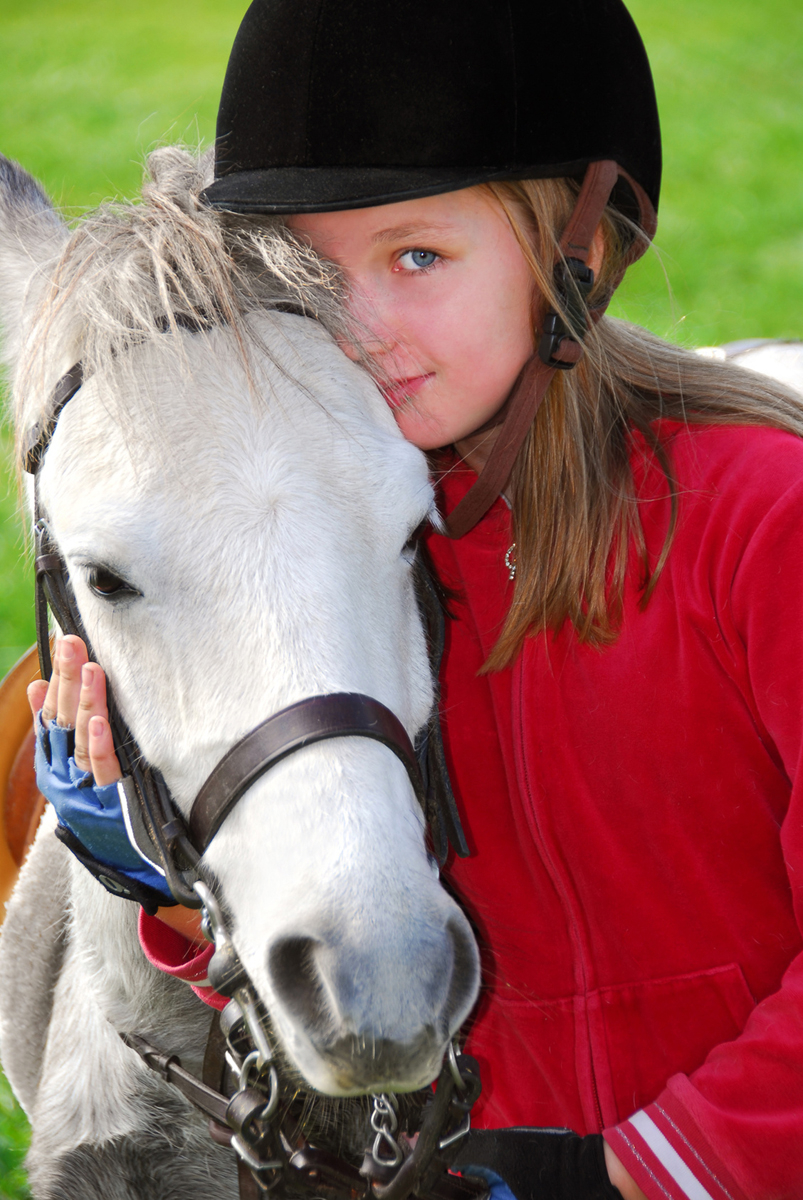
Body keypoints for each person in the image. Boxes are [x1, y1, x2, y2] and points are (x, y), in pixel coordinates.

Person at [29, 2, 803, 1198]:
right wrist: (168, 874)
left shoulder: (765, 519)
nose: (359, 330)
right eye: (305, 269)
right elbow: (335, 915)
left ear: (577, 257)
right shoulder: (319, 537)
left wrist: (648, 1173)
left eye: (416, 257)